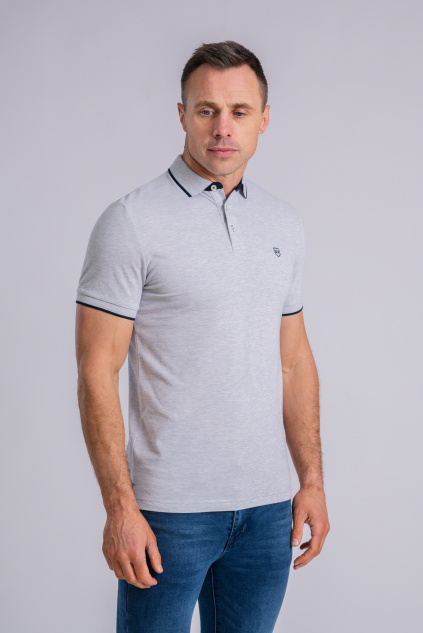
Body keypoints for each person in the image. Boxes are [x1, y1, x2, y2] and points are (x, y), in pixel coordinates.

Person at [75, 39, 330, 633]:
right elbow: (96, 369)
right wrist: (120, 507)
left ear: (264, 118)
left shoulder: (282, 223)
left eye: (239, 111)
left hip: (268, 512)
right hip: (168, 514)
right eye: (206, 110)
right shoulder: (131, 222)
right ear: (182, 114)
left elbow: (293, 360)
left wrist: (312, 482)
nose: (223, 128)